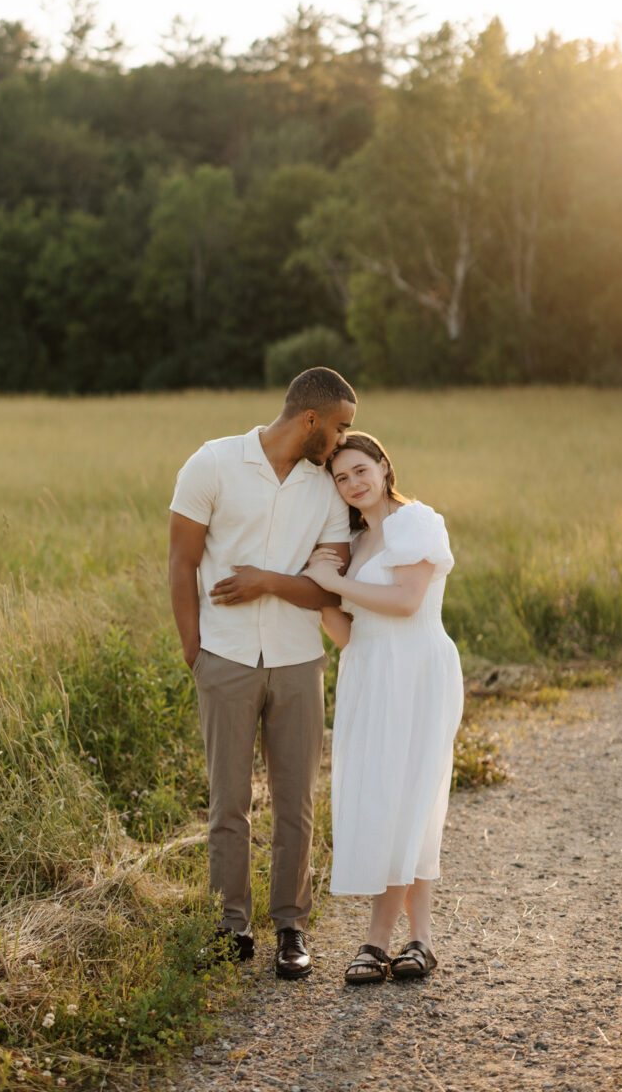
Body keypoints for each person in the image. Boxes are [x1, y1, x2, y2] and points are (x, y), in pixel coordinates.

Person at [168, 368, 356, 980]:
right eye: (340, 427)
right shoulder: (213, 464)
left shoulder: (326, 491)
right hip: (223, 660)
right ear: (311, 420)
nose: (342, 440)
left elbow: (329, 591)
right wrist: (195, 649)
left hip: (299, 662)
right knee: (228, 800)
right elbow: (182, 558)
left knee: (295, 800)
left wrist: (267, 581)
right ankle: (232, 927)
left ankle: (290, 928)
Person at [304, 431, 463, 984]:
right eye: (341, 478)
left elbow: (405, 601)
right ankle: (411, 942)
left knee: (410, 796)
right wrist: (323, 595)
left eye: (359, 470)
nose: (352, 484)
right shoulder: (356, 540)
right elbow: (353, 634)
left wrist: (332, 580)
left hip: (416, 670)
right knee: (378, 798)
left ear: (383, 465)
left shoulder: (415, 522)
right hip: (369, 675)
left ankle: (388, 941)